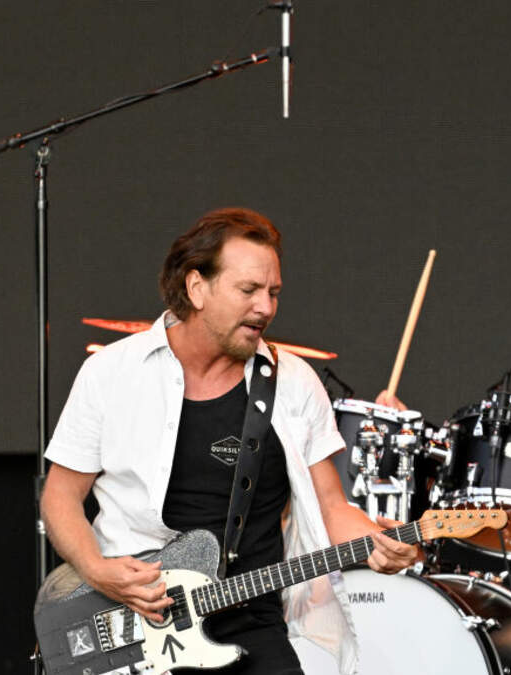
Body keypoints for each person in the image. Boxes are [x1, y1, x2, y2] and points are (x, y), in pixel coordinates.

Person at [40, 207, 419, 675]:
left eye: (273, 292)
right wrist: (98, 571)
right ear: (196, 287)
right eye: (248, 290)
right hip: (133, 621)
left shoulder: (294, 382)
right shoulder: (111, 372)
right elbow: (60, 496)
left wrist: (380, 544)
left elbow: (331, 507)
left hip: (250, 623)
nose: (266, 307)